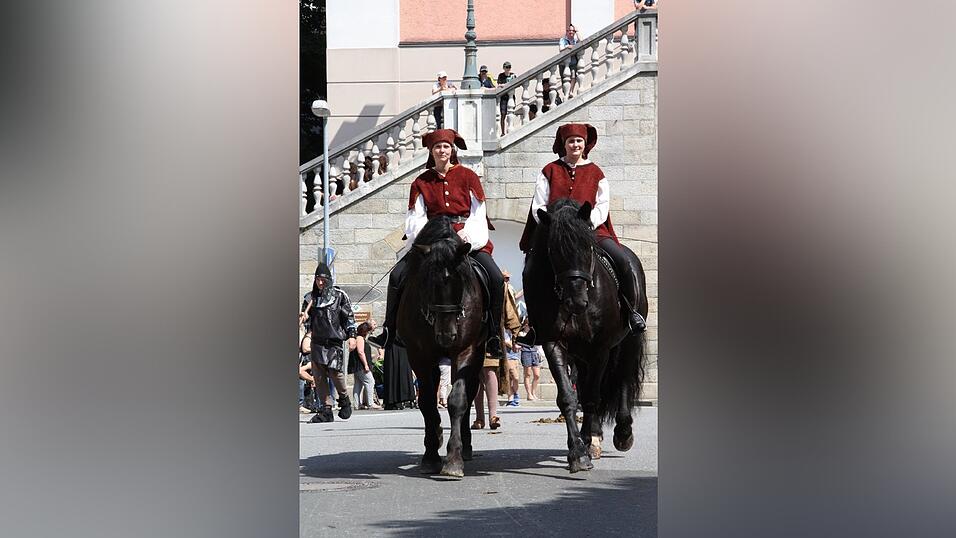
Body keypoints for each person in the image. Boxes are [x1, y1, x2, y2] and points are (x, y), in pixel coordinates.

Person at [368, 129, 507, 362]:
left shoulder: (468, 176)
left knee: (495, 277)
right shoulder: (421, 182)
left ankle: (493, 334)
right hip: (432, 240)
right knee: (397, 275)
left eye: (446, 147)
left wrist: (466, 236)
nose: (442, 151)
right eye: (437, 147)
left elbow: (478, 213)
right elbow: (416, 218)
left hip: (464, 238)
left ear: (452, 150)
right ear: (431, 152)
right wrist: (430, 240)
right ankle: (390, 330)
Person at [518, 123, 647, 334]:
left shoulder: (596, 172)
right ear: (564, 144)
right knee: (529, 270)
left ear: (585, 144)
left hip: (591, 231)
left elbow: (602, 206)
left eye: (579, 141)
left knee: (623, 261)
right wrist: (556, 225)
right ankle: (534, 326)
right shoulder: (549, 170)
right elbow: (538, 206)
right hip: (556, 234)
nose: (575, 145)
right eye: (571, 141)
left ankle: (632, 312)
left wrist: (585, 225)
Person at [301, 263, 357, 423]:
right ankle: (326, 409)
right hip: (317, 341)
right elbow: (307, 321)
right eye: (317, 279)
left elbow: (349, 317)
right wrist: (304, 318)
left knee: (335, 372)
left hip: (334, 340)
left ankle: (344, 399)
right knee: (319, 376)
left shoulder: (340, 296)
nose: (320, 282)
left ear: (328, 280)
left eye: (323, 279)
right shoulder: (310, 298)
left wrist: (352, 335)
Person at [348, 322, 382, 410]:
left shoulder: (359, 338)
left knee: (358, 384)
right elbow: (360, 352)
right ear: (365, 331)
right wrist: (366, 365)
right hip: (361, 365)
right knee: (370, 381)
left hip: (358, 365)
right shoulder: (360, 338)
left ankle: (357, 404)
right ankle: (370, 403)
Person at [472, 351, 501, 430]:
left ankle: (493, 416)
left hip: (490, 346)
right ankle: (479, 418)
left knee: (489, 368)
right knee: (476, 371)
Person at [517, 319, 541, 400]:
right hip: (526, 352)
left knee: (537, 375)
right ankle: (529, 393)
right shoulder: (521, 333)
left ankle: (533, 392)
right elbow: (519, 343)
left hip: (534, 352)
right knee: (527, 374)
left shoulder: (533, 333)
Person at [559, 24, 581, 97]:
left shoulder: (575, 40)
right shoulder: (563, 40)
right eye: (570, 30)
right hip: (563, 63)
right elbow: (561, 49)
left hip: (573, 62)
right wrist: (567, 46)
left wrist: (577, 32)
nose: (571, 32)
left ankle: (571, 91)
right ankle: (566, 92)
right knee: (564, 78)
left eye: (573, 31)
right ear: (567, 31)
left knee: (573, 76)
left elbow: (582, 41)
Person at [497, 61, 517, 133]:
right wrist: (504, 85)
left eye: (509, 67)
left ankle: (511, 129)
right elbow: (499, 85)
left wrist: (505, 85)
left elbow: (516, 83)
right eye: (507, 67)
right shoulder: (501, 75)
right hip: (504, 97)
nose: (508, 69)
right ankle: (503, 132)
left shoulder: (513, 75)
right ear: (504, 68)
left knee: (511, 114)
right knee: (503, 115)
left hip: (511, 97)